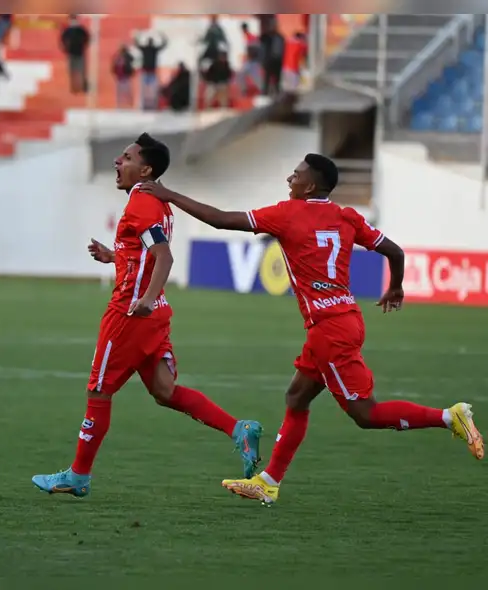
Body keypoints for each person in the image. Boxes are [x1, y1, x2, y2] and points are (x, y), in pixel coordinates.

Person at [140, 153, 484, 505]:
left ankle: (449, 416)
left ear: (311, 185)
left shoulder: (287, 214)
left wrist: (172, 196)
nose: (290, 178)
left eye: (296, 174)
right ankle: (269, 482)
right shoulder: (346, 216)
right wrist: (396, 286)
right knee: (297, 397)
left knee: (365, 414)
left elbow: (221, 220)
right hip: (342, 321)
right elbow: (395, 252)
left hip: (329, 332)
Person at [31, 134, 264, 498]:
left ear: (146, 169)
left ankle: (78, 476)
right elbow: (145, 252)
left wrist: (146, 298)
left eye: (126, 157)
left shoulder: (142, 201)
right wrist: (116, 257)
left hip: (130, 314)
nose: (117, 163)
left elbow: (163, 256)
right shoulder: (157, 204)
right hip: (154, 314)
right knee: (164, 391)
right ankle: (239, 429)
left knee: (99, 390)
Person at [135, 33, 168, 111]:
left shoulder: (153, 49)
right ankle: (144, 105)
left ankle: (152, 105)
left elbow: (164, 45)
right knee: (144, 90)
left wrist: (163, 37)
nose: (150, 43)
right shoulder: (147, 49)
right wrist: (138, 36)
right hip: (146, 72)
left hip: (151, 72)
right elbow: (136, 44)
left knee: (152, 90)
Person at [61, 15, 90, 94]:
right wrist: (65, 48)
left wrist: (83, 46)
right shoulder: (67, 30)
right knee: (72, 71)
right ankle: (74, 87)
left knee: (81, 70)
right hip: (72, 54)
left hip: (79, 53)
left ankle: (83, 86)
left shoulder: (80, 30)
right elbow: (62, 40)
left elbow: (87, 38)